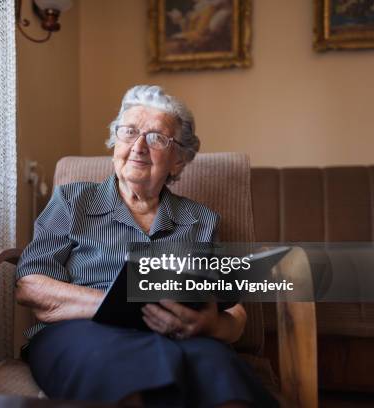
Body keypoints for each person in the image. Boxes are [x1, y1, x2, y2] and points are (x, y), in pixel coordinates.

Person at [15, 85, 277, 407]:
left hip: (178, 334)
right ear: (115, 144)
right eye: (129, 132)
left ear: (178, 161)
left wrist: (210, 324)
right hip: (81, 332)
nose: (138, 146)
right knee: (124, 375)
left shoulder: (200, 220)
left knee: (221, 375)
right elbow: (30, 287)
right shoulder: (73, 201)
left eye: (155, 138)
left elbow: (233, 309)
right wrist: (119, 304)